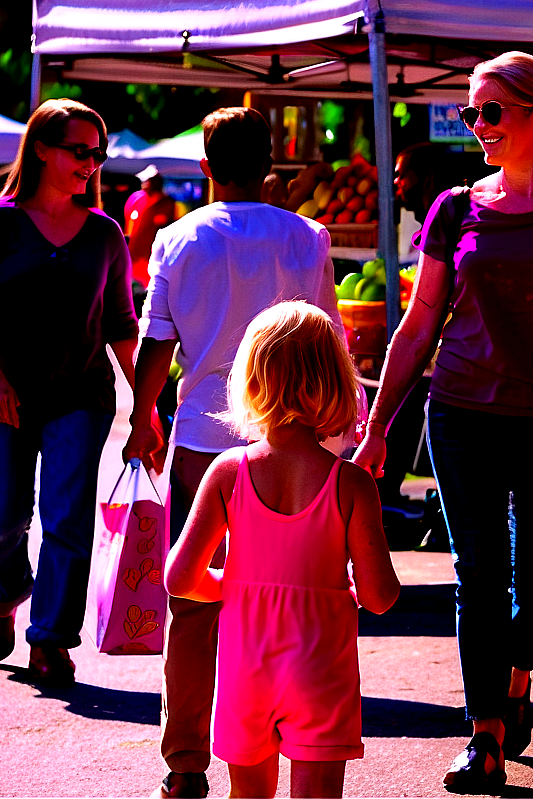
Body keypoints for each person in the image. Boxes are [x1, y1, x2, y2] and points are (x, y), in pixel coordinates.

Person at [354, 51, 533, 791]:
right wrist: (380, 422)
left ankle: (519, 675)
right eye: (469, 113)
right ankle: (483, 733)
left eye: (490, 112)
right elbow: (420, 323)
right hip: (461, 412)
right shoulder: (456, 209)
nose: (476, 126)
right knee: (477, 572)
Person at [122, 107, 343, 799]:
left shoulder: (178, 238)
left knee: (194, 604)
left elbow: (156, 341)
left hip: (202, 445)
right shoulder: (306, 237)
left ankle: (187, 761)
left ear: (207, 165)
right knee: (286, 604)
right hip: (293, 449)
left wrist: (143, 418)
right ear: (270, 161)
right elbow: (327, 338)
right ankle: (271, 737)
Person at [165, 301, 399, 799]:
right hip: (320, 673)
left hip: (245, 674)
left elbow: (179, 578)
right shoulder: (351, 485)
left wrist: (234, 584)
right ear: (336, 382)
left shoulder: (229, 473)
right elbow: (380, 596)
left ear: (250, 381)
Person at [0, 99, 138, 686]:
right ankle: (4, 594)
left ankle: (53, 638)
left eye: (98, 153)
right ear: (40, 148)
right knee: (6, 512)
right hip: (0, 394)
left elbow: (120, 324)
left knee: (67, 517)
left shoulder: (106, 235)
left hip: (79, 395)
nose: (91, 163)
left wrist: (148, 406)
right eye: (79, 150)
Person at [124, 165, 177, 288]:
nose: (147, 184)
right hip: (134, 258)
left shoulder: (168, 204)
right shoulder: (135, 199)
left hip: (154, 259)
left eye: (152, 180)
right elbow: (128, 227)